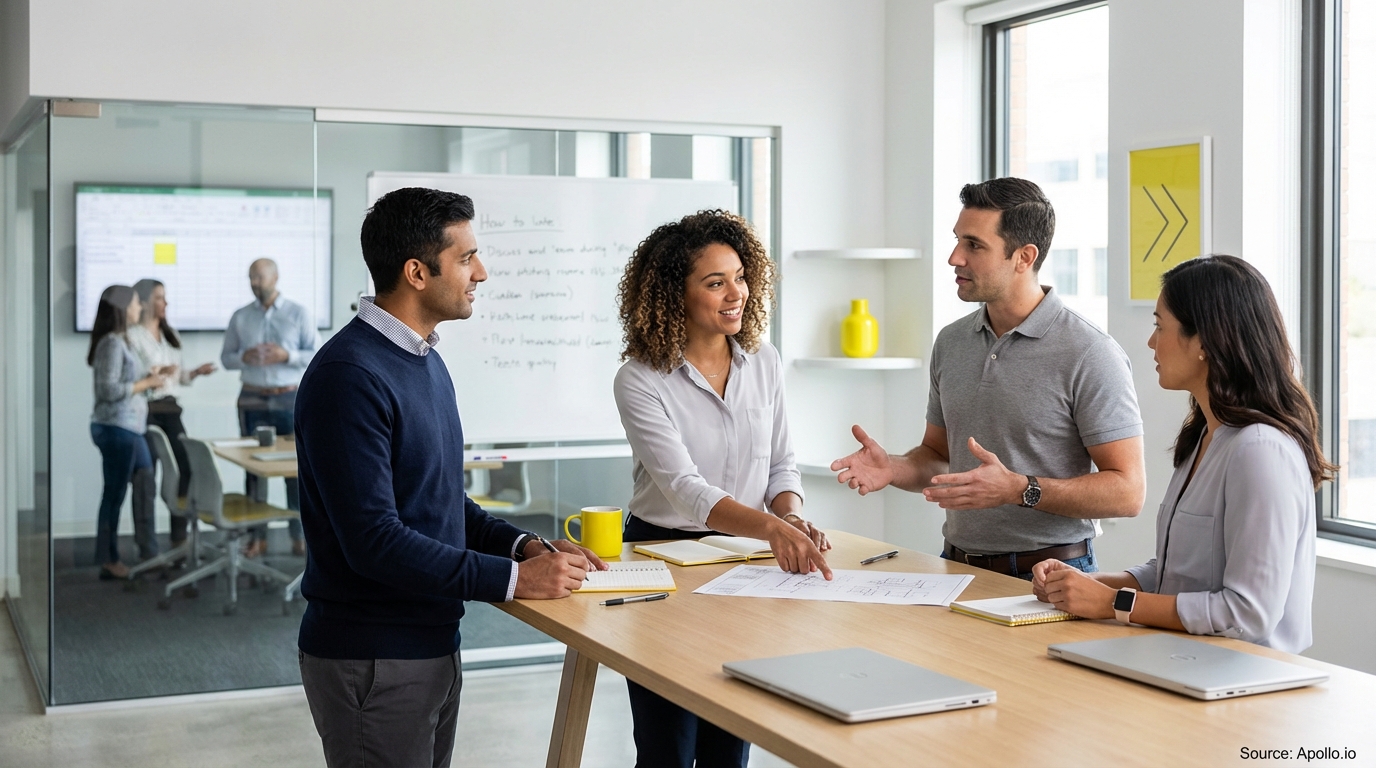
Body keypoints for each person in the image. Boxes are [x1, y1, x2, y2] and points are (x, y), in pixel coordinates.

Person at [294, 187, 604, 768]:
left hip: (429, 643)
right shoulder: (349, 376)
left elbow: (437, 498)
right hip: (374, 655)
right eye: (466, 258)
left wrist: (522, 545)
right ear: (416, 271)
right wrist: (514, 579)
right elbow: (374, 542)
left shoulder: (424, 359)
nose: (480, 272)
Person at [831, 177, 1146, 578]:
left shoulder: (1090, 352)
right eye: (958, 240)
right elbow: (938, 457)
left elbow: (1128, 492)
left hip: (1052, 573)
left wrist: (1018, 488)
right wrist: (893, 468)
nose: (954, 258)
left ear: (1024, 257)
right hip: (956, 564)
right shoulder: (952, 341)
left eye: (974, 245)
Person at [614, 209, 831, 768]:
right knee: (668, 747)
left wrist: (792, 514)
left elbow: (781, 462)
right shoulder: (640, 378)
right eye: (715, 282)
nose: (736, 293)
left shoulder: (764, 361)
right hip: (662, 557)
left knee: (729, 740)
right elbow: (686, 489)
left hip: (743, 559)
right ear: (674, 294)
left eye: (739, 276)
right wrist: (772, 527)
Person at [1032, 255, 1333, 653]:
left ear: (1205, 342)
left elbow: (1248, 614)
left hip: (1245, 686)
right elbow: (1181, 573)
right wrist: (1092, 584)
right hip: (1187, 662)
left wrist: (1114, 604)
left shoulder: (1260, 450)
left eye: (1160, 326)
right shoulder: (1206, 437)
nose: (1151, 341)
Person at [220, 257, 319, 557]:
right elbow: (226, 358)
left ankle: (300, 537)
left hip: (288, 397)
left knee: (296, 470)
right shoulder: (240, 317)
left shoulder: (297, 313)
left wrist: (285, 355)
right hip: (251, 397)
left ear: (276, 277)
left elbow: (315, 352)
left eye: (260, 277)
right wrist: (243, 358)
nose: (255, 283)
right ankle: (256, 538)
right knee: (252, 470)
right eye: (251, 278)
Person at [128, 279, 216, 553]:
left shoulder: (169, 334)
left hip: (170, 408)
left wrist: (194, 373)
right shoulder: (132, 336)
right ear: (143, 302)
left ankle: (179, 537)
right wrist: (153, 375)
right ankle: (147, 546)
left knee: (186, 467)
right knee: (146, 476)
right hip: (146, 410)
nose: (165, 303)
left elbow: (178, 376)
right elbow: (129, 377)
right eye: (159, 298)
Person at [88, 285, 168, 579]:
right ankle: (108, 559)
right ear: (123, 309)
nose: (139, 309)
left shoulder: (122, 341)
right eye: (135, 304)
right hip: (116, 428)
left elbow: (125, 384)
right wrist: (145, 384)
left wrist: (151, 379)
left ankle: (148, 550)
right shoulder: (111, 343)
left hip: (132, 428)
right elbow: (107, 390)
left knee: (145, 483)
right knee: (115, 494)